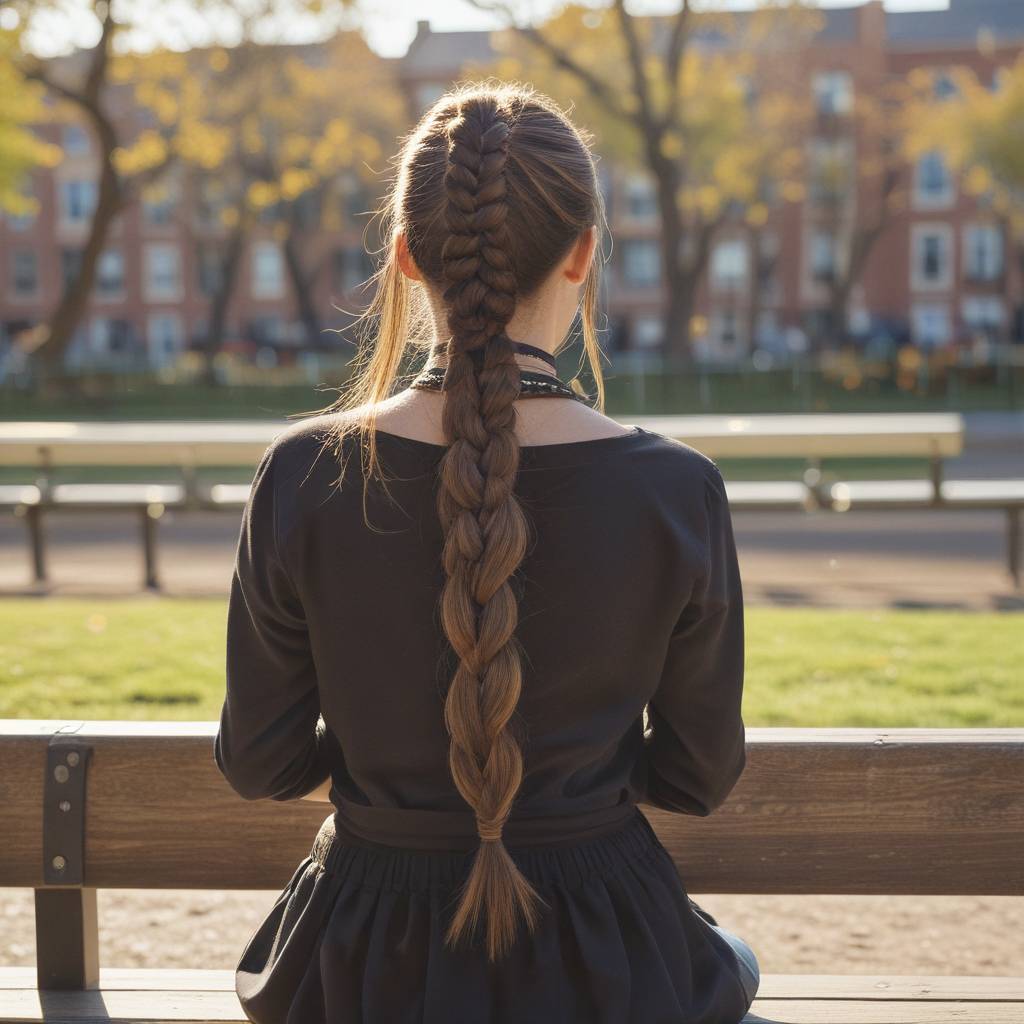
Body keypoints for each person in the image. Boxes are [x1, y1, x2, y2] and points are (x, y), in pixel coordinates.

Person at [214, 80, 759, 1024]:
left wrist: (394, 755)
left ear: (408, 258)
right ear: (585, 251)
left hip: (359, 959)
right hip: (608, 952)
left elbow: (259, 763)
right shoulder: (676, 490)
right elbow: (697, 776)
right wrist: (555, 772)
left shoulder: (304, 472)